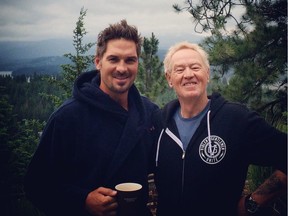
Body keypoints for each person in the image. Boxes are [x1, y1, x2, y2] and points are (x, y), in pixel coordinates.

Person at [24, 19, 158, 216]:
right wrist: (82, 200)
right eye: (113, 59)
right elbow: (37, 185)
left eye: (130, 60)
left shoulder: (149, 113)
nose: (122, 68)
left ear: (138, 62)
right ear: (98, 62)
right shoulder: (68, 118)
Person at [152, 41, 287, 216]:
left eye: (195, 67)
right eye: (179, 70)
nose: (188, 74)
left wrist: (253, 202)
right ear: (169, 79)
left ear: (207, 74)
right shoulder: (159, 123)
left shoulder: (236, 119)